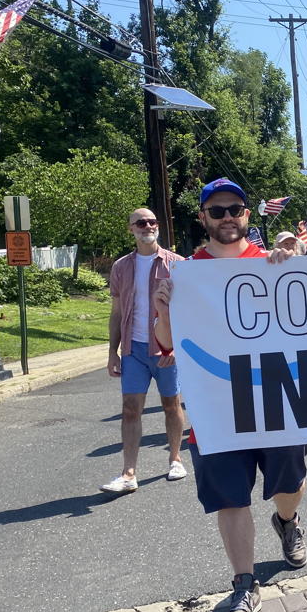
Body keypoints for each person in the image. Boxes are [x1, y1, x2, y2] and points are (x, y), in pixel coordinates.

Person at [153, 178, 307, 612]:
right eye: (216, 210)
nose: (227, 218)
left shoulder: (273, 264)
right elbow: (166, 343)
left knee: (289, 482)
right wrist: (164, 310)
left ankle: (287, 520)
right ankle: (244, 584)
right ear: (202, 217)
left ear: (247, 215)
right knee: (229, 497)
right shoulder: (184, 274)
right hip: (215, 407)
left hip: (277, 401)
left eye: (235, 209)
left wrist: (293, 271)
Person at [102, 208, 187, 494]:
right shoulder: (121, 267)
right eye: (141, 222)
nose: (147, 226)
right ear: (131, 229)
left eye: (152, 221)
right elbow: (116, 312)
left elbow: (187, 311)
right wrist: (113, 352)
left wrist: (176, 346)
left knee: (171, 404)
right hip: (134, 350)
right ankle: (128, 473)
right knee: (129, 409)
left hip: (165, 348)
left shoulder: (176, 263)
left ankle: (175, 458)